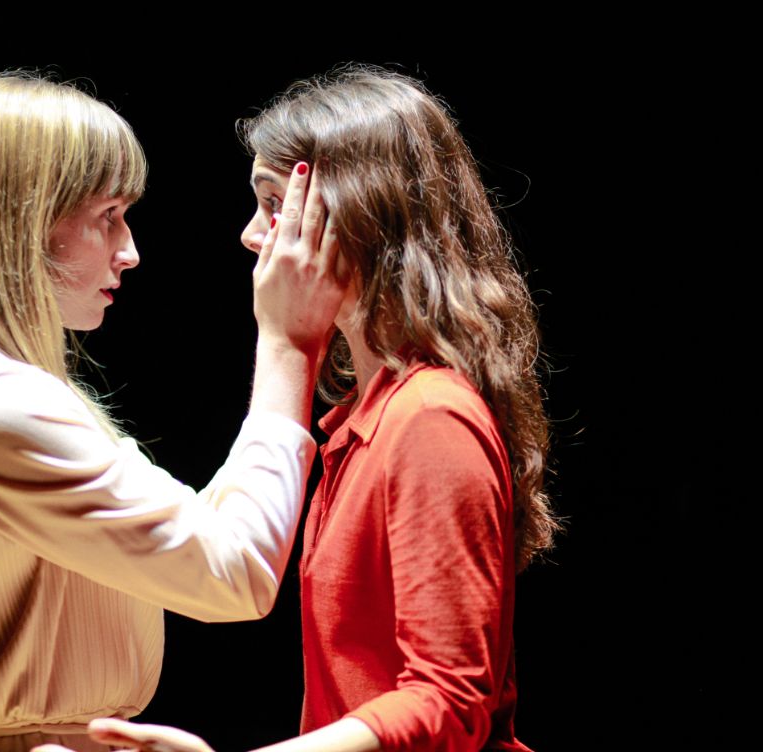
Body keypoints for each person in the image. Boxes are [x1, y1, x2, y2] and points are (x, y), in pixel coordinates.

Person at [49, 65, 560, 752]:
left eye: (273, 204)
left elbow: (449, 701)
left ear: (357, 211)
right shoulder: (363, 417)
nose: (251, 234)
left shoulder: (430, 417)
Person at [0, 72, 345, 752]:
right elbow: (235, 572)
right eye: (107, 215)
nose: (130, 250)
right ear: (21, 221)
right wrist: (288, 344)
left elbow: (199, 531)